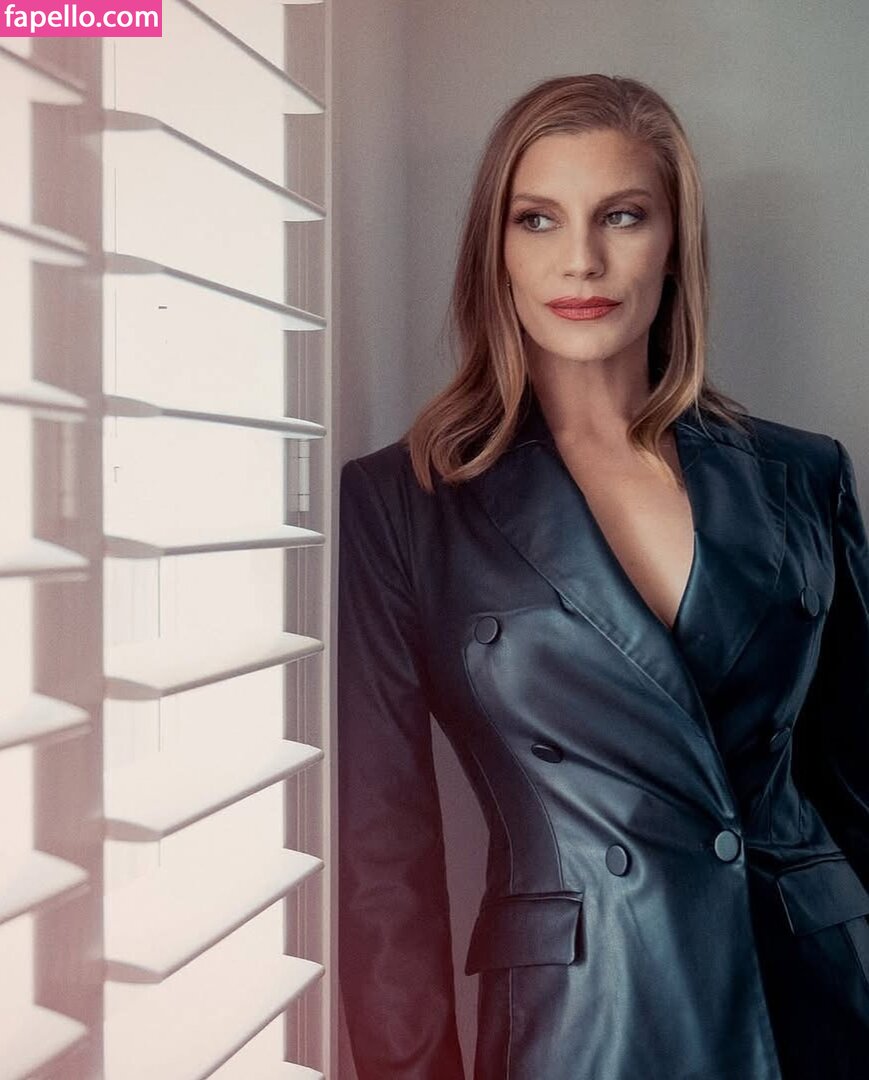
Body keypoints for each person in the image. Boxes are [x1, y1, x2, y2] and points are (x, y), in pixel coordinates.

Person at [337, 74, 869, 1080]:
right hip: (586, 1018)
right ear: (494, 248)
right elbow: (382, 859)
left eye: (622, 216)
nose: (579, 259)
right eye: (536, 219)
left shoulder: (803, 475)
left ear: (673, 243)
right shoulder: (406, 502)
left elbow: (853, 780)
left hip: (806, 1003)